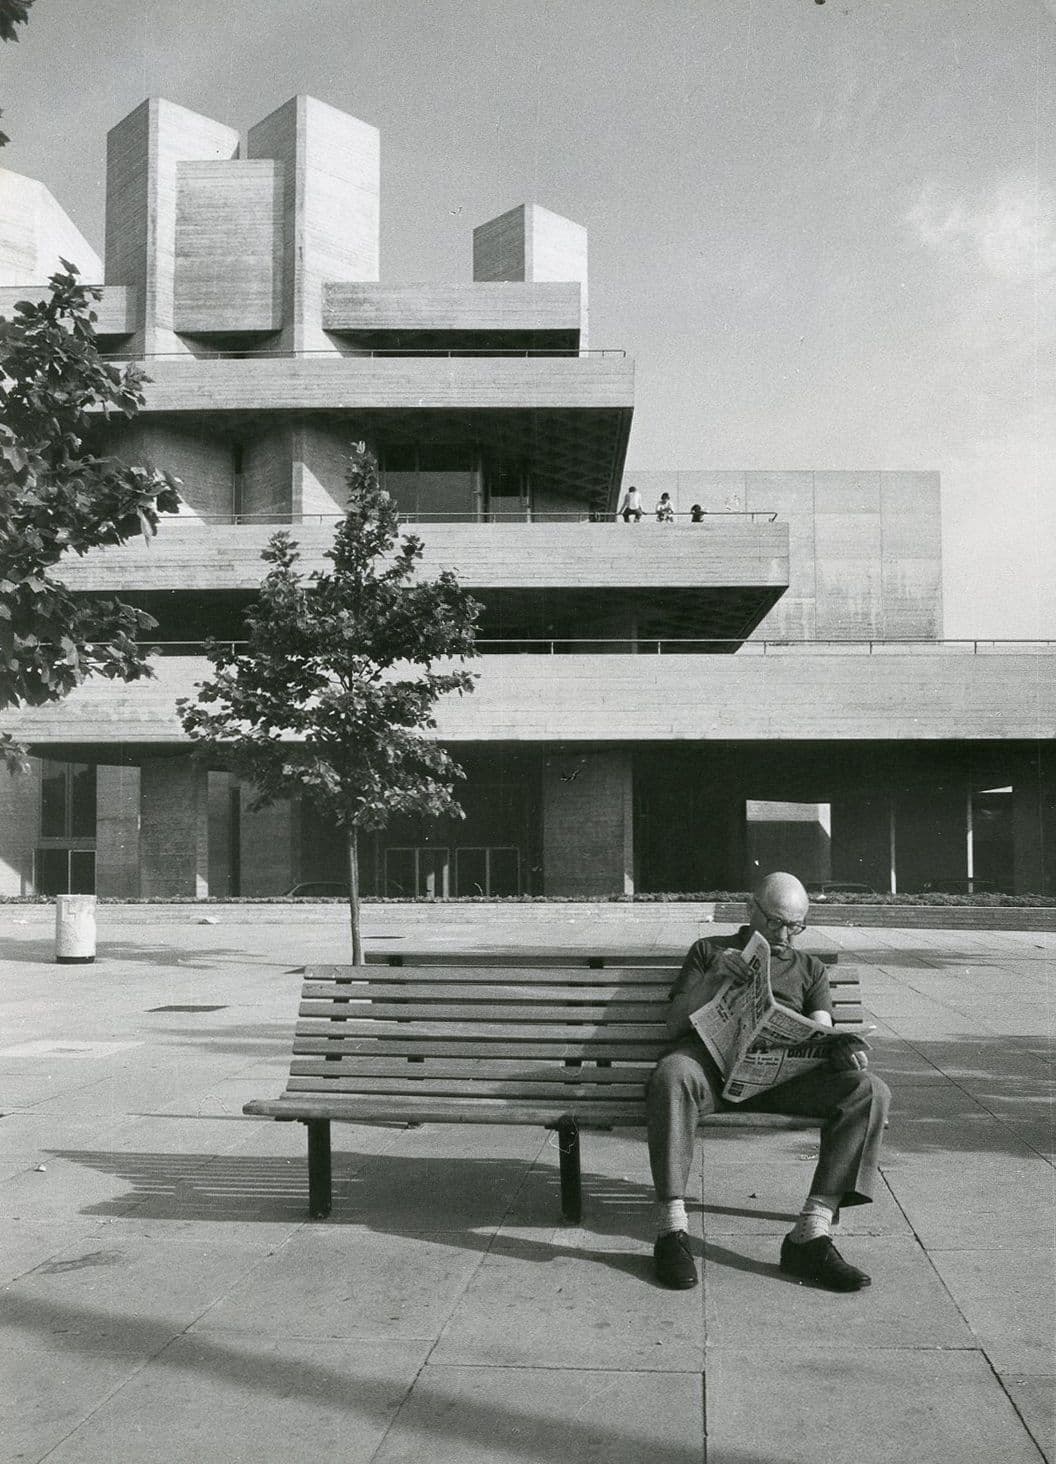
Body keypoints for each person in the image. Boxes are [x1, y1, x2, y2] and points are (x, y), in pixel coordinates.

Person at [646, 871, 890, 1292]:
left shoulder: (810, 969)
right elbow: (673, 1025)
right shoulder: (709, 950)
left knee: (869, 1091)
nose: (784, 936)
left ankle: (810, 1235)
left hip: (782, 1081)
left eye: (795, 926)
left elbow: (822, 1029)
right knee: (672, 1073)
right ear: (750, 909)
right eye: (775, 922)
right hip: (711, 1074)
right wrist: (713, 979)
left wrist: (838, 1050)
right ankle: (671, 1231)